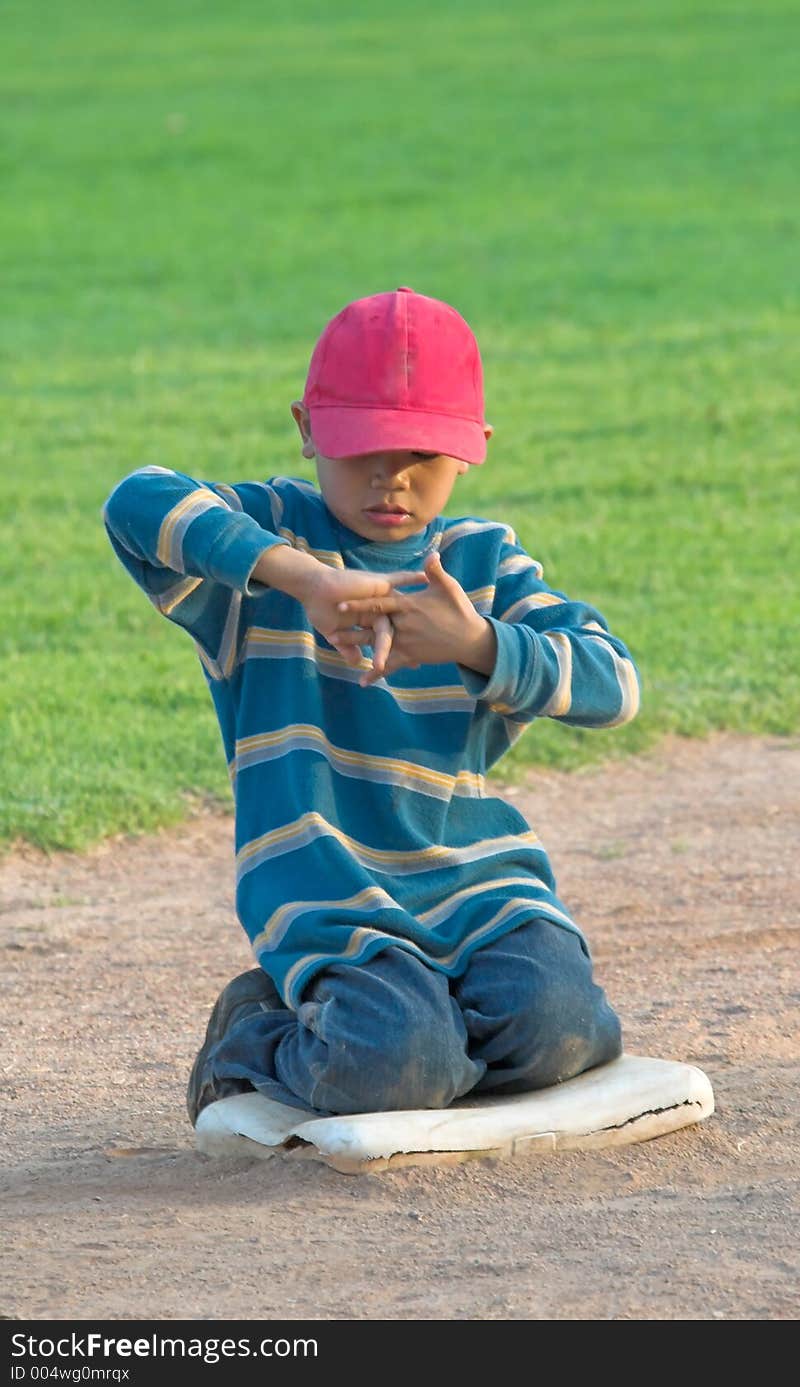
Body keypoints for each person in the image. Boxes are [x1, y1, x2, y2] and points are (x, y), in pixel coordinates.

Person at [103, 286, 640, 1128]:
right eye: (361, 449)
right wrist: (305, 579)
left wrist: (480, 646)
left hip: (482, 882)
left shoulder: (482, 562)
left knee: (562, 1034)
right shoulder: (269, 545)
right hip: (328, 891)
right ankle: (252, 1035)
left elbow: (617, 686)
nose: (392, 477)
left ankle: (412, 1016)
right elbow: (136, 502)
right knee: (396, 1065)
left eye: (422, 453)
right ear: (308, 428)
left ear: (474, 450)